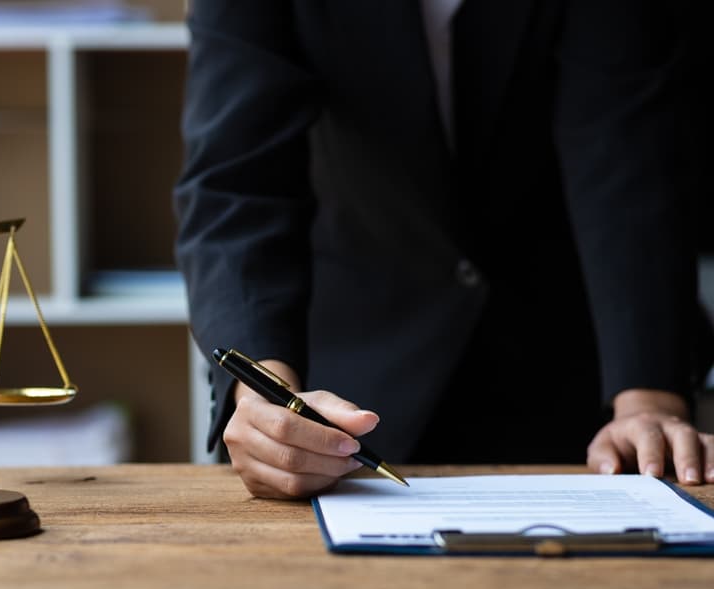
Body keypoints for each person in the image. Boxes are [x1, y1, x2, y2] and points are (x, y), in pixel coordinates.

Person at [173, 1, 714, 499]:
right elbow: (235, 184)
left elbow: (630, 159)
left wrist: (648, 399)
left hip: (582, 374)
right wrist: (262, 388)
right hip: (344, 392)